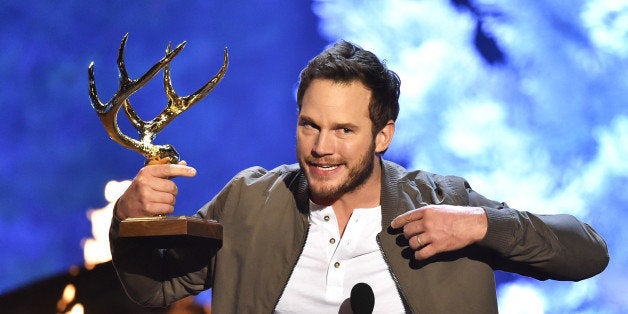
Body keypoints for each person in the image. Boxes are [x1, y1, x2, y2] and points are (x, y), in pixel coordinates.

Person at [110, 40, 609, 313]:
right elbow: (152, 287)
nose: (322, 147)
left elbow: (587, 253)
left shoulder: (441, 200)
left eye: (344, 130)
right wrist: (126, 222)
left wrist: (482, 225)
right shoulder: (248, 200)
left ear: (382, 135)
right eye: (310, 125)